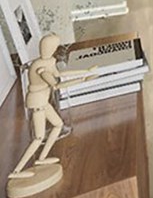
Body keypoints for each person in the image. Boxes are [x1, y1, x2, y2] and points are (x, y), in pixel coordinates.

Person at [8, 34, 95, 179]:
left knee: (58, 125)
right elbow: (56, 85)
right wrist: (82, 80)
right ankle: (16, 172)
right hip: (37, 102)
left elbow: (60, 73)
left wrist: (85, 71)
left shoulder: (49, 61)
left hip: (44, 101)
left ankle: (41, 159)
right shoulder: (39, 66)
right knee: (38, 137)